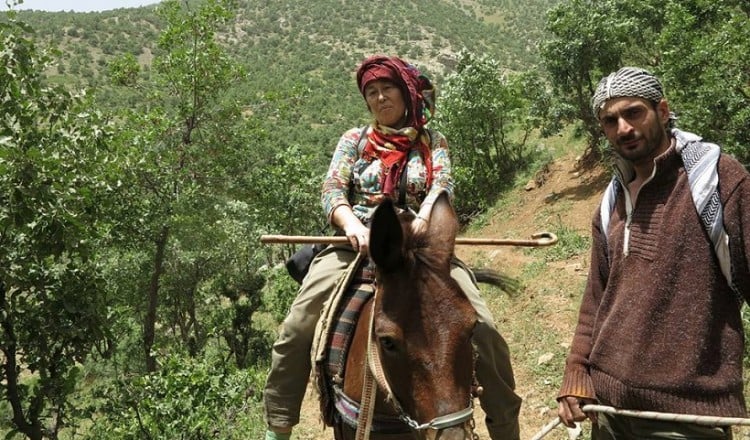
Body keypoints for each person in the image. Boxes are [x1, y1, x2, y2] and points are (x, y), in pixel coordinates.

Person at [263, 55, 521, 440]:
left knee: (482, 326)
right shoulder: (354, 140)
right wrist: (351, 223)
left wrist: (426, 217)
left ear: (407, 94)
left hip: (421, 248)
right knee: (298, 326)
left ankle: (505, 426)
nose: (381, 98)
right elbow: (332, 187)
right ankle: (278, 426)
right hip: (357, 245)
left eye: (388, 89)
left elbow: (442, 185)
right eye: (372, 92)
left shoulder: (433, 142)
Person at [557, 67, 750, 439]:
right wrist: (577, 371)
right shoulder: (611, 201)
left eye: (633, 113)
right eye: (610, 120)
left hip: (684, 418)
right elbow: (597, 297)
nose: (623, 128)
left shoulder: (717, 181)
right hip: (610, 410)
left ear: (662, 111)